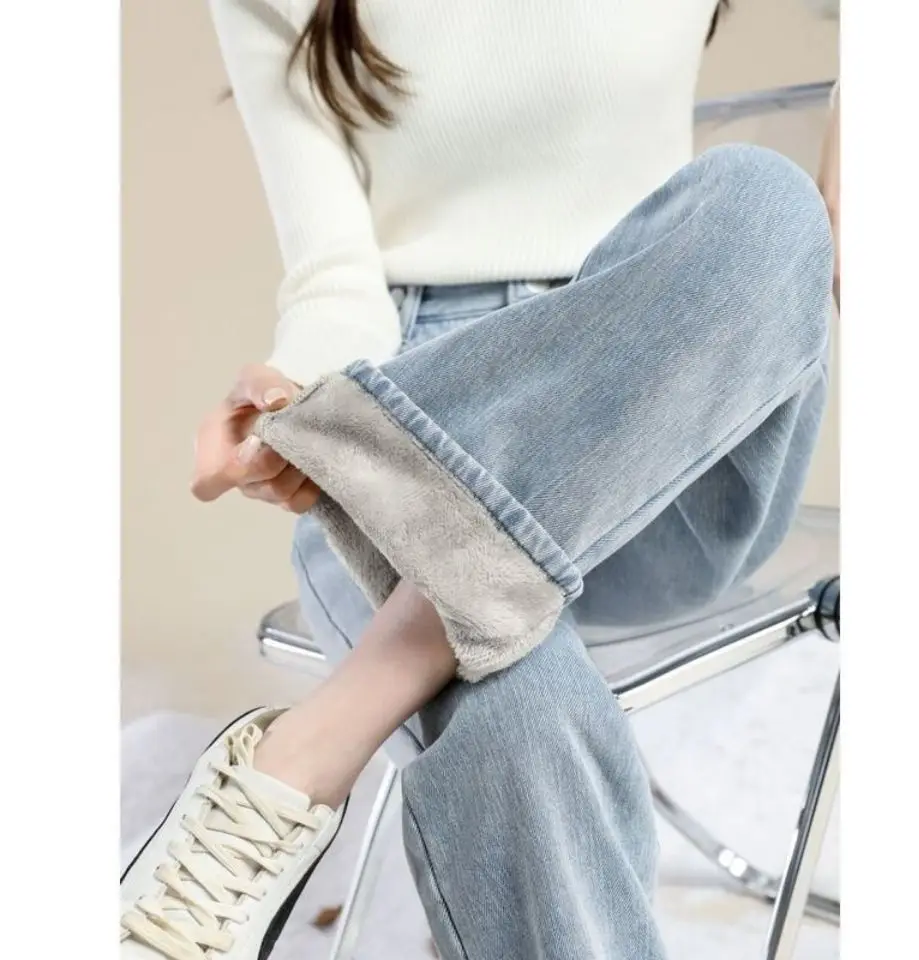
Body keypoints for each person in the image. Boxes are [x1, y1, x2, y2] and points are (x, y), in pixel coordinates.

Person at [120, 1, 840, 958]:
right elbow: (336, 279)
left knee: (765, 201)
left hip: (670, 407)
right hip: (426, 396)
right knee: (515, 705)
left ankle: (309, 749)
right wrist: (296, 401)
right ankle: (419, 621)